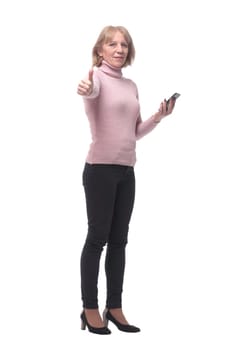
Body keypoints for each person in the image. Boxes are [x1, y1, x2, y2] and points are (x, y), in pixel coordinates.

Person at [77, 25, 176, 335]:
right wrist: (85, 87)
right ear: (101, 50)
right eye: (112, 44)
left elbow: (133, 132)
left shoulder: (131, 85)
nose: (119, 49)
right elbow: (89, 91)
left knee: (120, 241)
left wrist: (158, 117)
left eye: (124, 44)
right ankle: (89, 308)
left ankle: (115, 307)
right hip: (100, 171)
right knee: (97, 240)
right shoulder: (96, 79)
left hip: (126, 172)